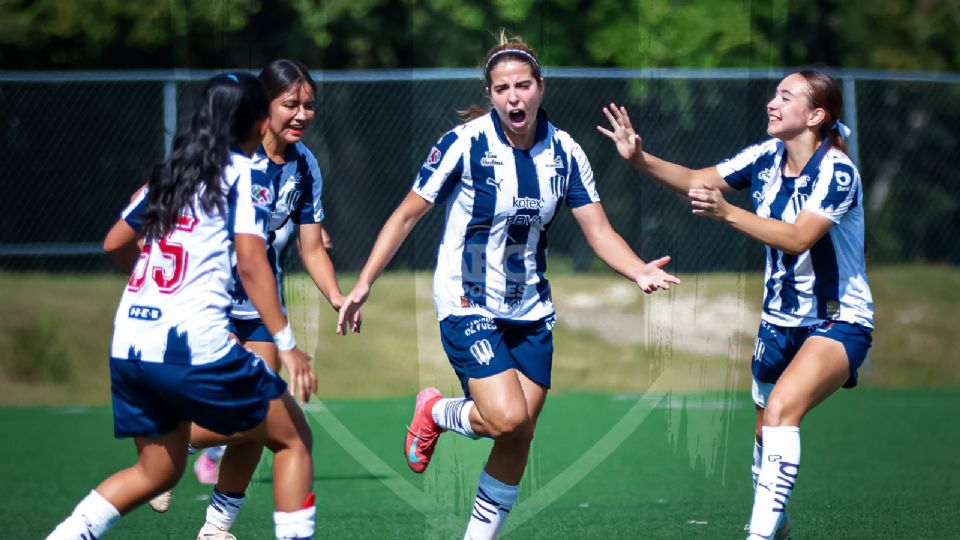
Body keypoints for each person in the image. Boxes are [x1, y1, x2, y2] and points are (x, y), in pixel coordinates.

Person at [336, 33, 680, 539]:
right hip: (467, 299)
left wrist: (637, 270)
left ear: (541, 88)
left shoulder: (566, 153)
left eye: (523, 85)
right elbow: (407, 214)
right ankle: (435, 410)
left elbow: (599, 231)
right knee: (505, 417)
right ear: (491, 94)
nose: (513, 97)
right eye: (502, 89)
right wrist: (365, 281)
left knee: (518, 433)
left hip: (530, 309)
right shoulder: (464, 143)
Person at [597, 70, 874, 540]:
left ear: (815, 115)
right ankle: (775, 523)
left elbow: (798, 238)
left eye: (786, 96)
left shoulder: (837, 172)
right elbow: (696, 180)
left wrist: (727, 212)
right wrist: (639, 158)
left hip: (837, 318)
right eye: (774, 94)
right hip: (777, 321)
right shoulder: (766, 156)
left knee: (781, 411)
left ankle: (758, 534)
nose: (772, 103)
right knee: (766, 430)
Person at [46, 72, 318, 540]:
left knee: (157, 471)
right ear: (258, 121)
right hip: (190, 343)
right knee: (293, 438)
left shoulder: (172, 173)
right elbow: (252, 264)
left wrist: (159, 291)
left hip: (130, 342)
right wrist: (288, 344)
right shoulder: (243, 174)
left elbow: (115, 242)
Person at [153, 59, 348, 540]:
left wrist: (337, 296)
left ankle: (215, 528)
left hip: (261, 308)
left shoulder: (305, 166)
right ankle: (166, 443)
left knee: (259, 418)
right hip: (211, 302)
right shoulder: (230, 157)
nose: (301, 114)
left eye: (309, 105)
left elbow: (311, 247)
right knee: (256, 415)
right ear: (264, 106)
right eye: (290, 104)